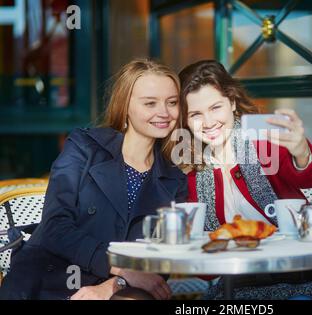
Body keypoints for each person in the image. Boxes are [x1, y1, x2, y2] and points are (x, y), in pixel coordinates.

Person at [177, 60, 312, 300]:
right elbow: (209, 270)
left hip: (309, 275)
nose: (208, 122)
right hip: (242, 286)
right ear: (186, 121)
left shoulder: (263, 142)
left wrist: (301, 150)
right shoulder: (194, 174)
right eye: (196, 114)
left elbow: (311, 178)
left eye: (215, 107)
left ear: (231, 102)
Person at [0, 58, 187, 300]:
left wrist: (113, 284)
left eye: (172, 102)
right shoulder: (84, 147)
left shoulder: (174, 179)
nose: (164, 112)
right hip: (44, 283)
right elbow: (54, 226)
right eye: (150, 103)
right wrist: (121, 270)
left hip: (117, 291)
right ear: (125, 105)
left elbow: (161, 259)